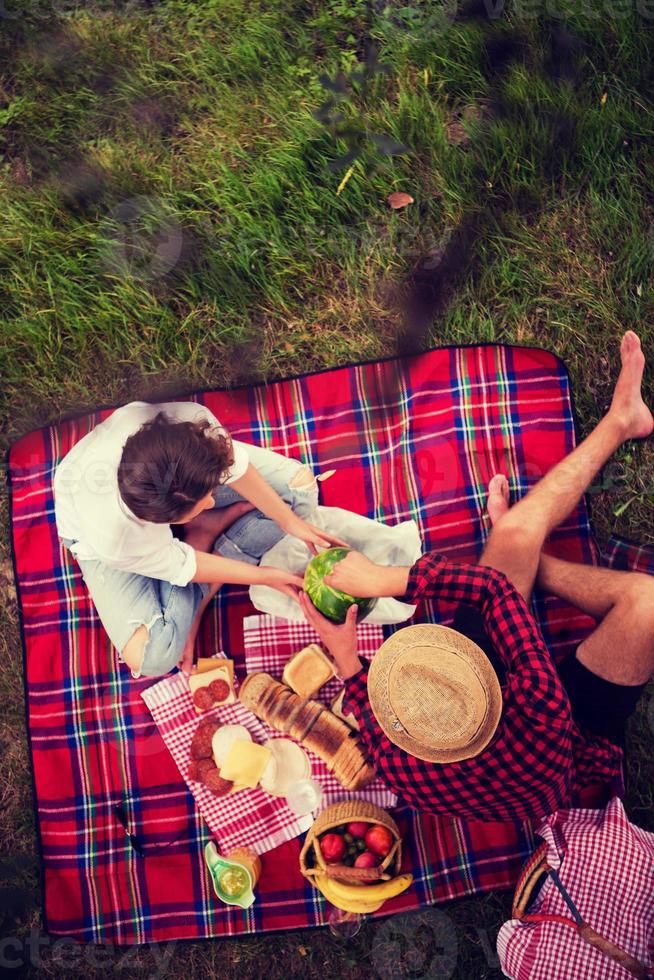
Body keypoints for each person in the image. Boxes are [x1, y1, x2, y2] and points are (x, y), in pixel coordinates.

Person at [300, 331, 654, 822]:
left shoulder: (405, 771)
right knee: (647, 603)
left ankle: (525, 534)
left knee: (517, 538)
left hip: (508, 750)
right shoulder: (544, 713)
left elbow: (376, 731)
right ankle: (617, 425)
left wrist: (343, 654)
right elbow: (494, 591)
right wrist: (383, 579)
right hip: (569, 742)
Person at [54, 400, 344, 678]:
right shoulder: (117, 538)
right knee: (154, 655)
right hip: (95, 536)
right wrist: (263, 575)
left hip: (159, 483)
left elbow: (234, 467)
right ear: (163, 523)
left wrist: (290, 522)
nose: (211, 501)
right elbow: (182, 566)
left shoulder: (191, 424)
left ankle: (204, 542)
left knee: (301, 492)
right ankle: (202, 538)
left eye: (209, 494)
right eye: (204, 503)